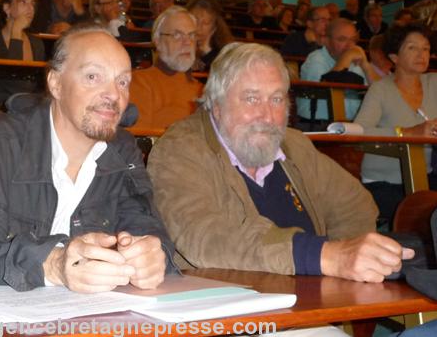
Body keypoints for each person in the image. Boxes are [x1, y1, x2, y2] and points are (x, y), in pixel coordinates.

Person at [0, 24, 175, 332]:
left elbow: (149, 232)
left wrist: (152, 256)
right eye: (94, 76)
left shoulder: (123, 151)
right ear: (55, 83)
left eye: (123, 81)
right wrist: (52, 264)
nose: (113, 95)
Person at [148, 40, 412, 289]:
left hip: (310, 305)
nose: (267, 115)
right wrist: (325, 256)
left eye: (276, 99)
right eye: (251, 98)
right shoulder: (179, 150)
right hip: (227, 315)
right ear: (216, 105)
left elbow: (355, 205)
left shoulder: (294, 146)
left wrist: (341, 269)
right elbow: (204, 236)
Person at [355, 23, 437, 224]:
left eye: (425, 48)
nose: (421, 54)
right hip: (384, 182)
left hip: (425, 176)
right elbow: (359, 133)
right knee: (422, 212)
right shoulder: (380, 90)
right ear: (394, 57)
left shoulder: (434, 82)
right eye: (412, 48)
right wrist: (407, 132)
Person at [129, 6, 203, 129]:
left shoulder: (202, 89)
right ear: (157, 41)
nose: (187, 42)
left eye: (191, 35)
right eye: (177, 35)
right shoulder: (140, 82)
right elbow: (139, 141)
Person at [297, 18, 380, 125]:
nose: (349, 45)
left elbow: (382, 91)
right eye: (342, 39)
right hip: (317, 127)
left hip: (351, 127)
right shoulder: (315, 59)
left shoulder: (355, 61)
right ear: (326, 41)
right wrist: (345, 58)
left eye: (353, 40)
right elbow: (326, 89)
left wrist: (366, 65)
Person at [0, 0, 45, 113]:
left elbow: (40, 85)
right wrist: (16, 32)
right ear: (7, 8)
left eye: (32, 4)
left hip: (30, 108)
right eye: (23, 2)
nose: (30, 8)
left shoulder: (37, 43)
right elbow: (12, 78)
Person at [187, 0, 233, 71]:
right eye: (195, 20)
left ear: (214, 27)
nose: (199, 27)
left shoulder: (221, 52)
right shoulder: (178, 42)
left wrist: (206, 49)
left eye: (205, 23)